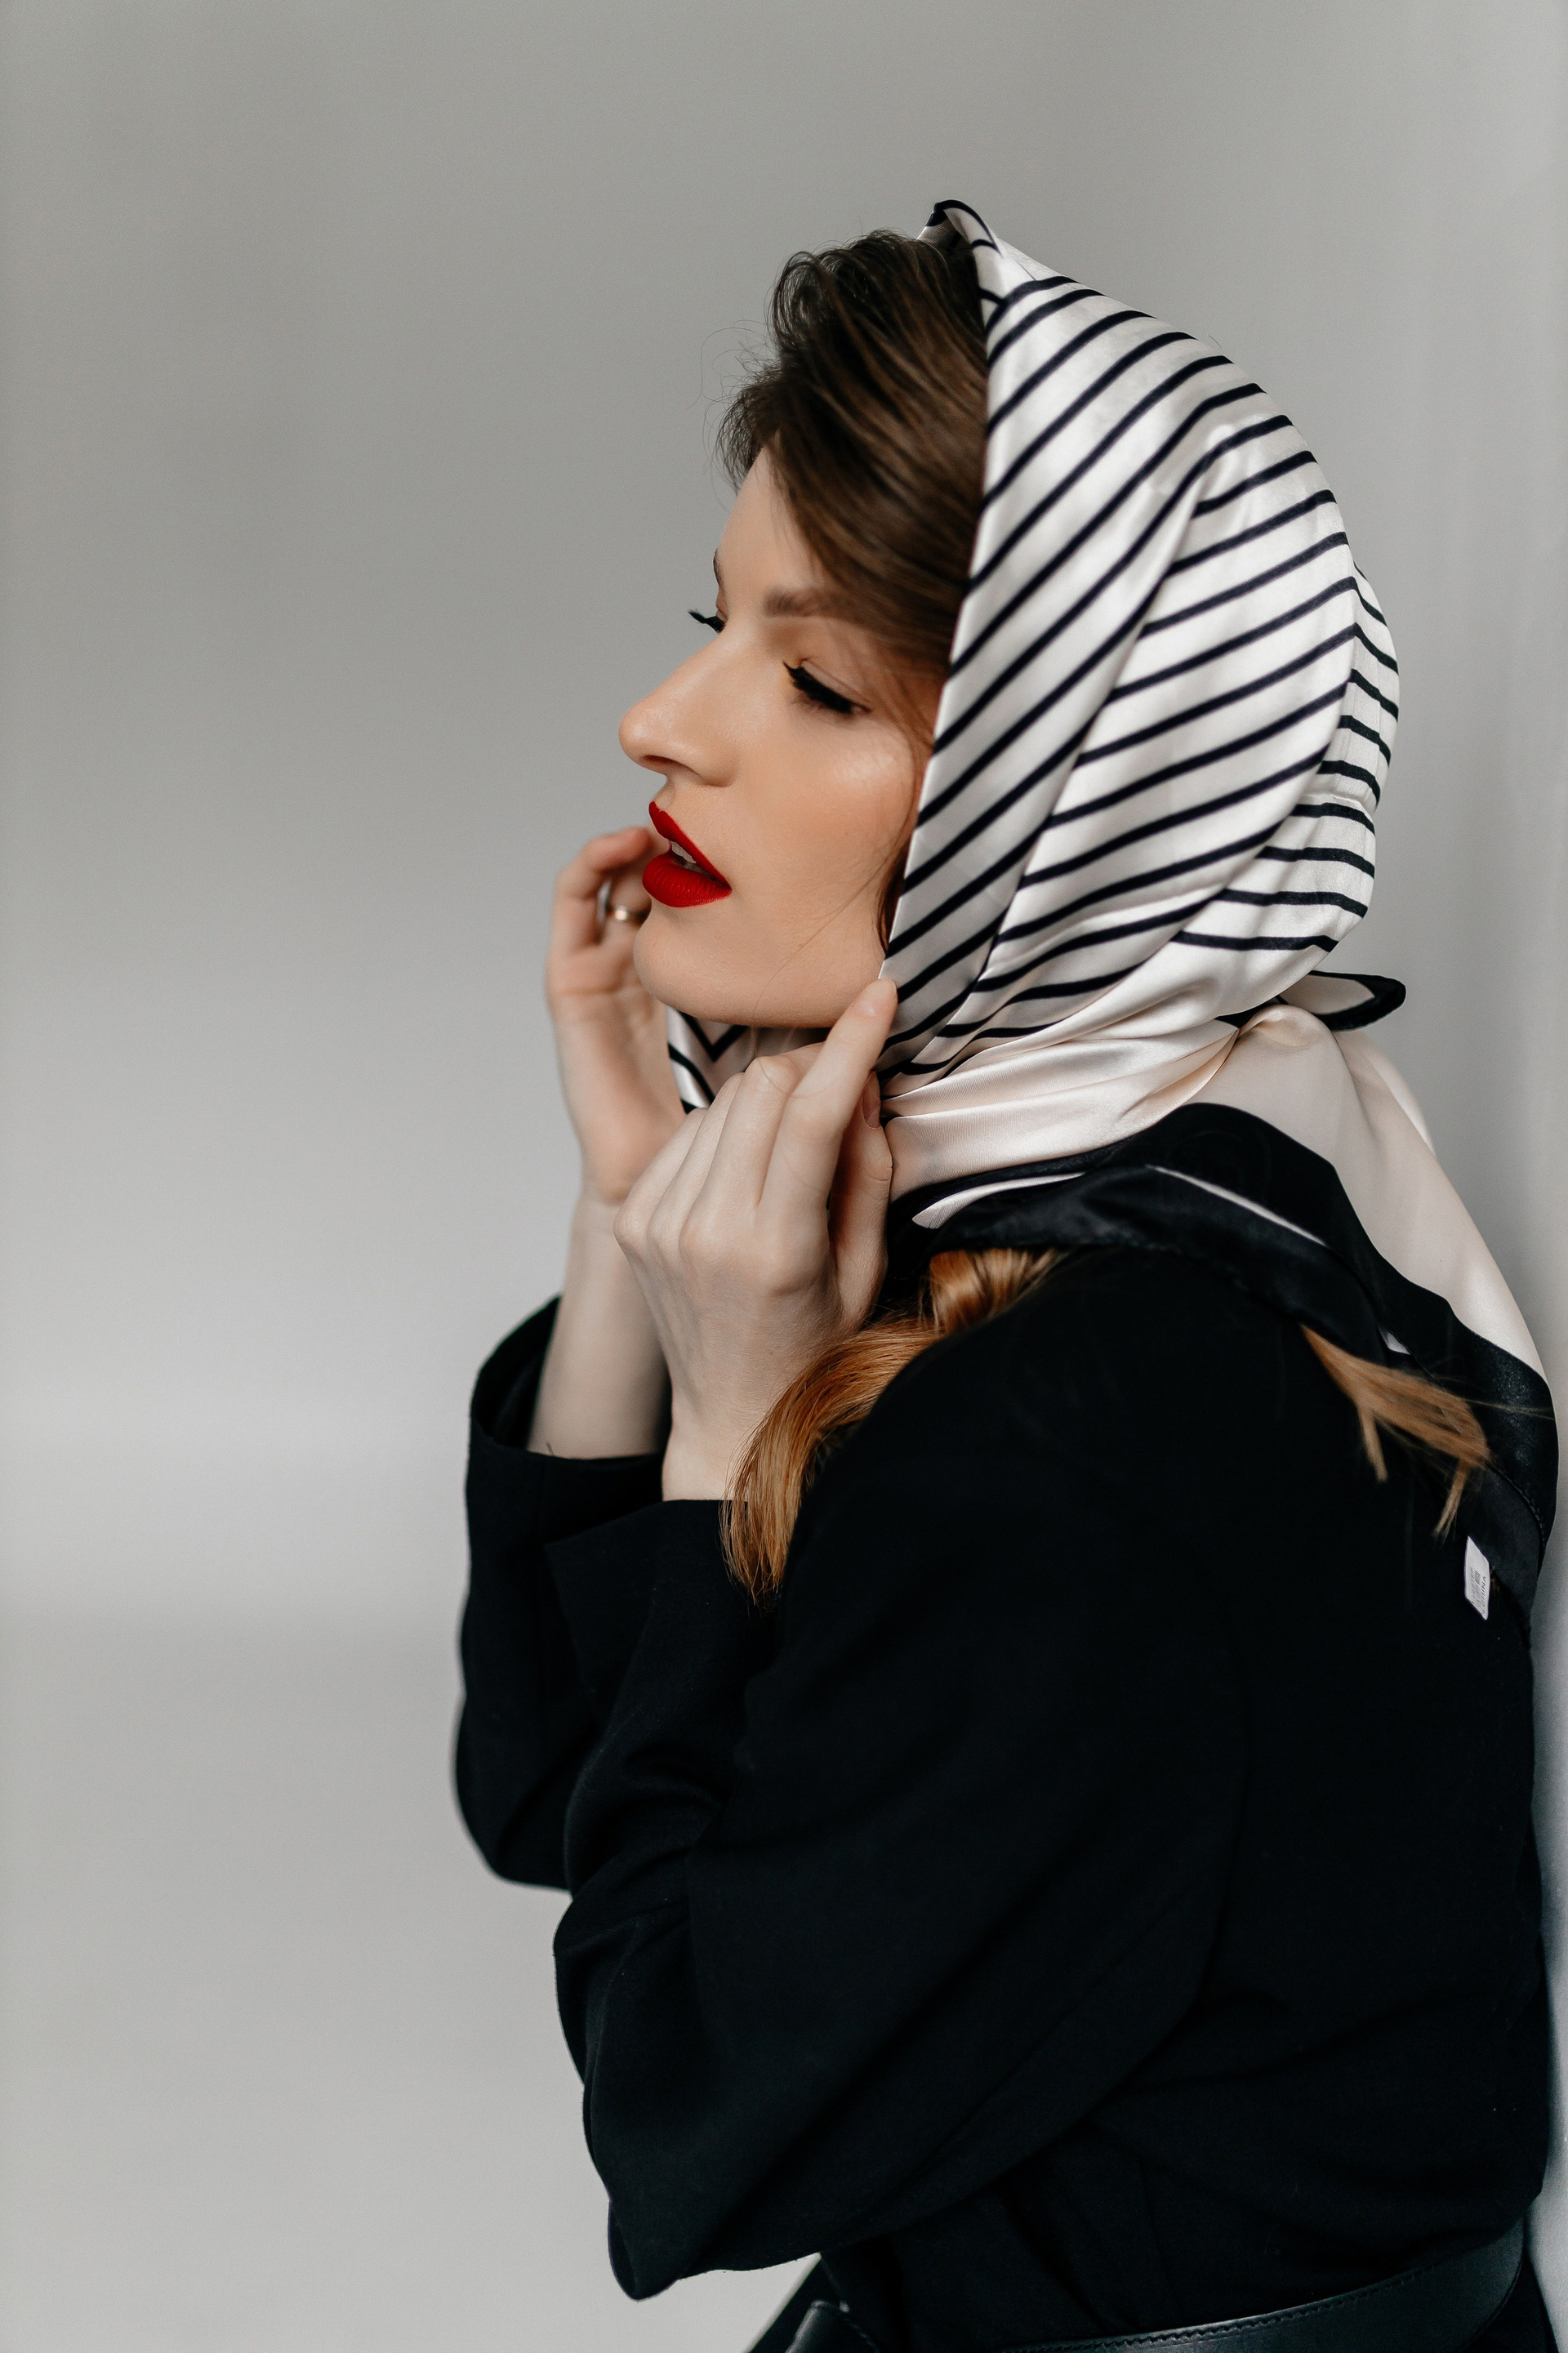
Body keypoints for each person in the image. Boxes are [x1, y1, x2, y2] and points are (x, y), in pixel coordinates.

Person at [455, 203, 1558, 2352]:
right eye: (711, 627)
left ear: (1066, 799)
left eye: (814, 680)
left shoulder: (1081, 1425)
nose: (660, 719)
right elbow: (549, 1793)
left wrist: (729, 1432)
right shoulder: (1126, 1181)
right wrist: (633, 1209)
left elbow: (681, 2127)